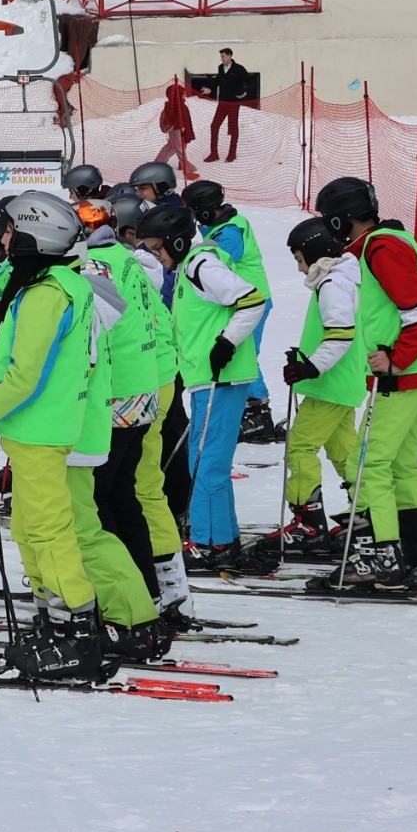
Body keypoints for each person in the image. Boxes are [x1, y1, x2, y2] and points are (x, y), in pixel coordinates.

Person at [0, 192, 157, 681]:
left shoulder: (47, 293)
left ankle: (75, 636)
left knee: (52, 533)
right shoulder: (57, 284)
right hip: (36, 427)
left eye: (11, 233)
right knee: (30, 529)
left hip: (42, 428)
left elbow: (25, 377)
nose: (5, 241)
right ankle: (54, 625)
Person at [316, 175, 417, 590]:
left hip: (403, 373)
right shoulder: (394, 242)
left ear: (343, 219)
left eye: (330, 219)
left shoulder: (381, 249)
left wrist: (396, 356)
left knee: (368, 462)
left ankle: (382, 557)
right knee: (401, 462)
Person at [80, 190, 188, 631]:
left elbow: (92, 329)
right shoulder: (131, 261)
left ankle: (125, 595)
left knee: (104, 498)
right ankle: (152, 588)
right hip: (145, 388)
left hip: (120, 393)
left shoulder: (99, 265)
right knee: (127, 493)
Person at [139, 200, 266, 569]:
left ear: (176, 241)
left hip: (220, 379)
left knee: (206, 463)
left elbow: (251, 299)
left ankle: (212, 544)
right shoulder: (187, 268)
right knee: (206, 461)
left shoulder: (201, 265)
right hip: (205, 380)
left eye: (157, 248)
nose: (156, 256)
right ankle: (224, 538)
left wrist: (227, 342)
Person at [270, 216, 361, 560]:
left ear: (315, 251)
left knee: (300, 447)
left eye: (298, 258)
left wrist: (310, 366)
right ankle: (367, 514)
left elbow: (340, 332)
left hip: (330, 384)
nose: (297, 267)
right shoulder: (345, 278)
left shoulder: (332, 284)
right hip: (341, 382)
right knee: (344, 453)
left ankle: (308, 524)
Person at [184, 179, 279, 443]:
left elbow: (218, 263)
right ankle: (249, 411)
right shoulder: (220, 226)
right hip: (242, 300)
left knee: (247, 356)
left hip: (251, 301)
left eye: (194, 211)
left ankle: (258, 413)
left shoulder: (229, 233)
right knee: (244, 354)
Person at [203, 49, 249, 162]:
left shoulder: (239, 68)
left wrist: (245, 91)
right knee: (214, 126)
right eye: (221, 56)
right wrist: (210, 88)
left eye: (223, 56)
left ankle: (232, 154)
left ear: (229, 56)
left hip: (233, 103)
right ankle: (214, 154)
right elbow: (218, 80)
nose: (221, 58)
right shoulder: (220, 68)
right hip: (222, 103)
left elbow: (248, 81)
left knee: (233, 128)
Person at [154, 82, 198, 176]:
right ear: (177, 95)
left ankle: (159, 162)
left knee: (173, 146)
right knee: (179, 149)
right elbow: (168, 120)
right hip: (175, 130)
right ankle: (188, 171)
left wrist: (185, 129)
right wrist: (172, 126)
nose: (185, 95)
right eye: (183, 93)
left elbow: (185, 118)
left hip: (182, 129)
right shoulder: (171, 107)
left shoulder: (182, 105)